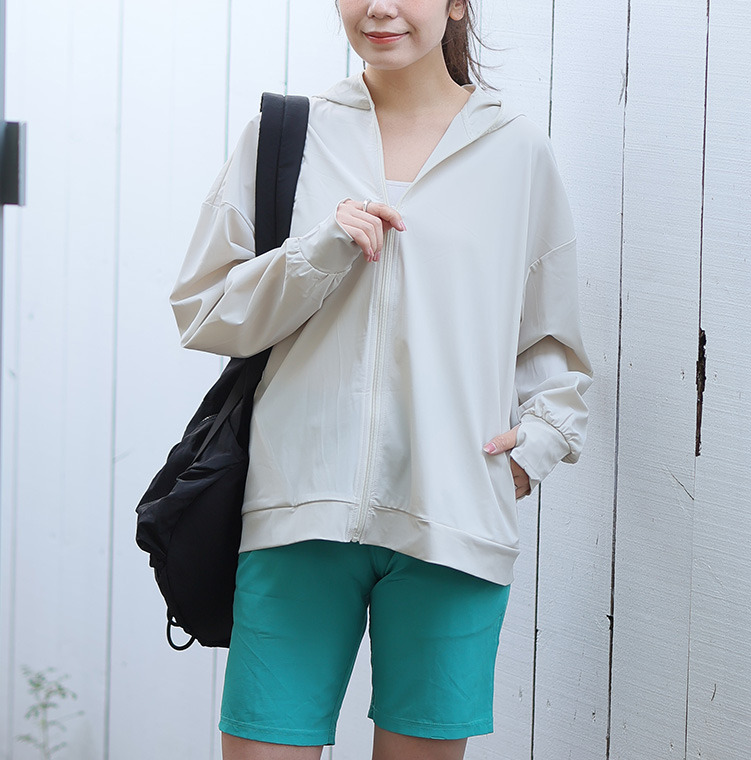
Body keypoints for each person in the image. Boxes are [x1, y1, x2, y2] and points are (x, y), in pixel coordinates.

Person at [170, 1, 592, 758]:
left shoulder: (516, 151)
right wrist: (320, 249)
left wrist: (537, 446)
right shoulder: (287, 135)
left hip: (453, 520)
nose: (381, 8)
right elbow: (206, 311)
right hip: (298, 513)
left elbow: (551, 337)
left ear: (457, 3)